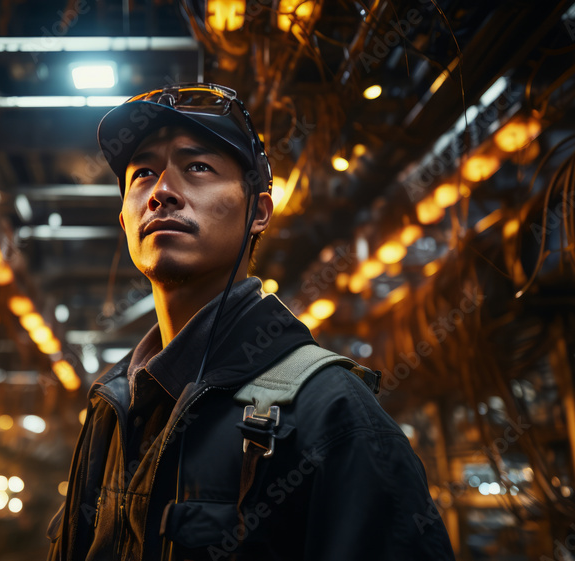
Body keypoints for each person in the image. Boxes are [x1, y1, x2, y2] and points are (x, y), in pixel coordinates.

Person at [47, 83, 455, 560]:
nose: (162, 192)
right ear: (125, 221)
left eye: (197, 167)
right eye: (144, 174)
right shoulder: (112, 409)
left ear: (258, 212)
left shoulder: (331, 414)